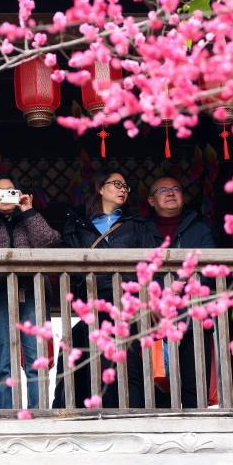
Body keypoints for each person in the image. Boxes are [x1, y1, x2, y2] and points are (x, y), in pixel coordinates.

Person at [52, 169, 153, 409]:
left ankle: (127, 412)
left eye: (126, 187)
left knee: (125, 361)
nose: (122, 190)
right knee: (77, 348)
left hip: (128, 301)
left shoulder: (136, 224)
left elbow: (151, 261)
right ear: (100, 188)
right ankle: (76, 411)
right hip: (94, 300)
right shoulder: (77, 225)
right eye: (116, 184)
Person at [0, 173, 61, 410]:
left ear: (19, 195)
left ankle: (38, 409)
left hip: (32, 290)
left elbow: (50, 242)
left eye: (11, 191)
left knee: (35, 355)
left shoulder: (28, 218)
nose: (6, 196)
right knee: (2, 354)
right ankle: (4, 410)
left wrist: (29, 211)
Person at [145, 175, 216, 409]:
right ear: (151, 201)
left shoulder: (200, 229)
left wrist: (181, 297)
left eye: (176, 188)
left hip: (193, 315)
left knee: (195, 382)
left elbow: (208, 269)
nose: (170, 193)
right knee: (157, 385)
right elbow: (137, 272)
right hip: (153, 318)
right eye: (162, 190)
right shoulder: (141, 231)